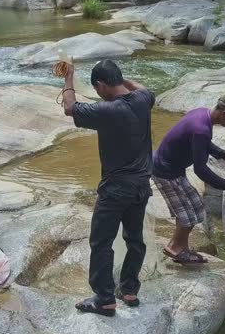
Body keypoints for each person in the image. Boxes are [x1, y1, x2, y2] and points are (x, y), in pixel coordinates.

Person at [61, 60, 155, 317]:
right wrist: (123, 80)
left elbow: (70, 108)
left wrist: (68, 77)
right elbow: (141, 87)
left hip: (116, 189)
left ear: (101, 86)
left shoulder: (108, 110)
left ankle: (104, 299)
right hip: (141, 186)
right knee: (134, 239)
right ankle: (129, 289)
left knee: (101, 242)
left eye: (98, 87)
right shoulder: (144, 99)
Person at [152, 95, 225, 264]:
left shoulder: (202, 114)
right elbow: (200, 169)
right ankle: (175, 249)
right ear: (224, 113)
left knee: (195, 207)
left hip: (171, 168)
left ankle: (179, 246)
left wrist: (223, 154)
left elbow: (203, 144)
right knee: (188, 215)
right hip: (165, 172)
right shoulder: (201, 128)